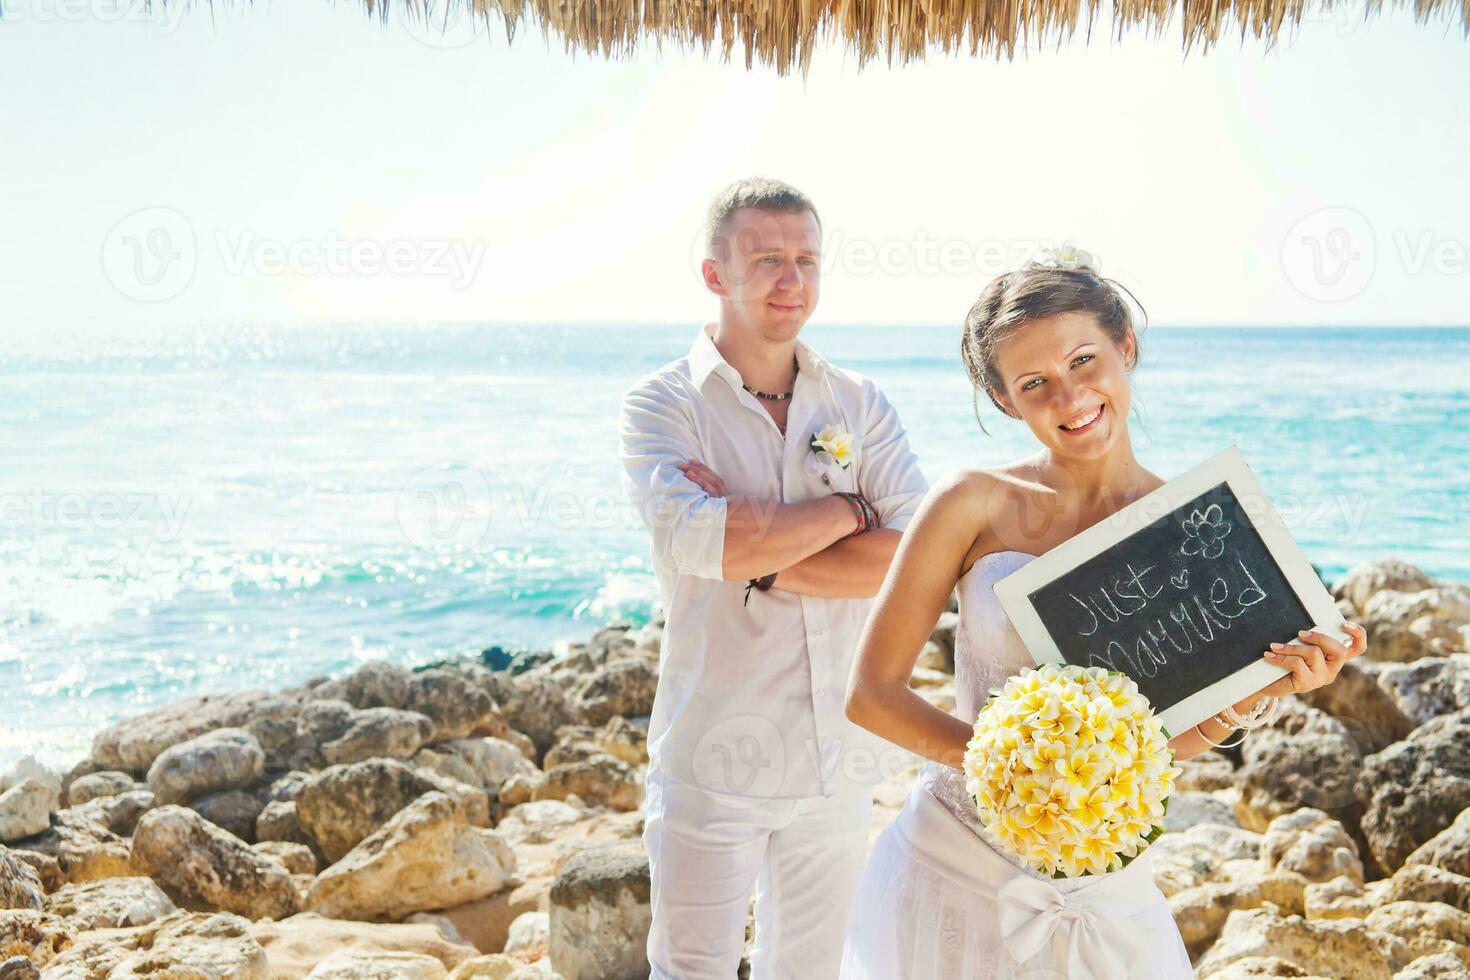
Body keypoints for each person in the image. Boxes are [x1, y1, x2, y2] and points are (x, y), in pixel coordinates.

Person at [838, 247, 1368, 979]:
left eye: (1084, 361)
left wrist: (1274, 685)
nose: (1070, 397)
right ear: (1004, 401)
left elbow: (1155, 744)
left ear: (1127, 347)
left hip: (1103, 881)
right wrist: (1012, 774)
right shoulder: (970, 503)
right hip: (951, 863)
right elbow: (870, 695)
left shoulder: (1200, 530)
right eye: (1035, 383)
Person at [618, 177, 931, 979]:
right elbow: (705, 544)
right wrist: (850, 511)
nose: (791, 279)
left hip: (840, 758)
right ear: (715, 273)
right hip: (714, 757)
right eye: (766, 259)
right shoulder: (662, 405)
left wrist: (765, 553)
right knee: (692, 972)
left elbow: (915, 554)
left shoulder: (859, 401)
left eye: (806, 259)